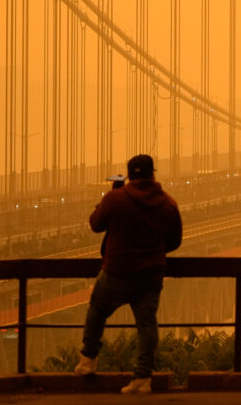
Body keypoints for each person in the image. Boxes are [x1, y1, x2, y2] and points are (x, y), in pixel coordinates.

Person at [74, 154, 182, 394]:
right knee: (147, 324)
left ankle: (88, 361)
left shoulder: (116, 198)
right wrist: (153, 251)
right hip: (151, 276)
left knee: (97, 310)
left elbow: (95, 224)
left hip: (116, 272)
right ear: (153, 173)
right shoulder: (168, 203)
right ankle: (143, 378)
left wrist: (111, 195)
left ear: (129, 175)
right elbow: (175, 241)